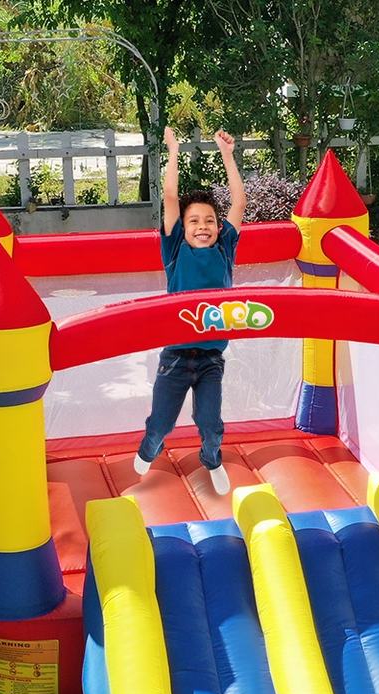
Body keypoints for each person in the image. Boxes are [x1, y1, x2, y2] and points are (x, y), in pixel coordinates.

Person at [133, 126, 246, 494]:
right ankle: (150, 448)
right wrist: (173, 151)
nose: (203, 227)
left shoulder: (224, 249)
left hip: (211, 358)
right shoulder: (175, 250)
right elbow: (170, 197)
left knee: (211, 424)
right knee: (161, 424)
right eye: (194, 221)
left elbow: (239, 204)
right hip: (176, 358)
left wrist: (227, 155)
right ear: (182, 227)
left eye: (209, 221)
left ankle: (211, 459)